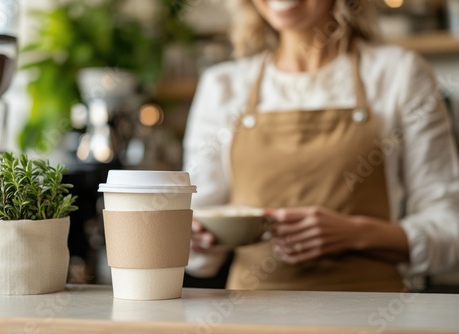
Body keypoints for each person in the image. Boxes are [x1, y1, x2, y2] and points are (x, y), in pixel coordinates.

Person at [183, 0, 459, 292]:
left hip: (370, 313)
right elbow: (198, 253)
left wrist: (355, 233)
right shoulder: (223, 86)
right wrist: (193, 239)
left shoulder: (398, 73)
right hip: (248, 316)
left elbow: (448, 228)